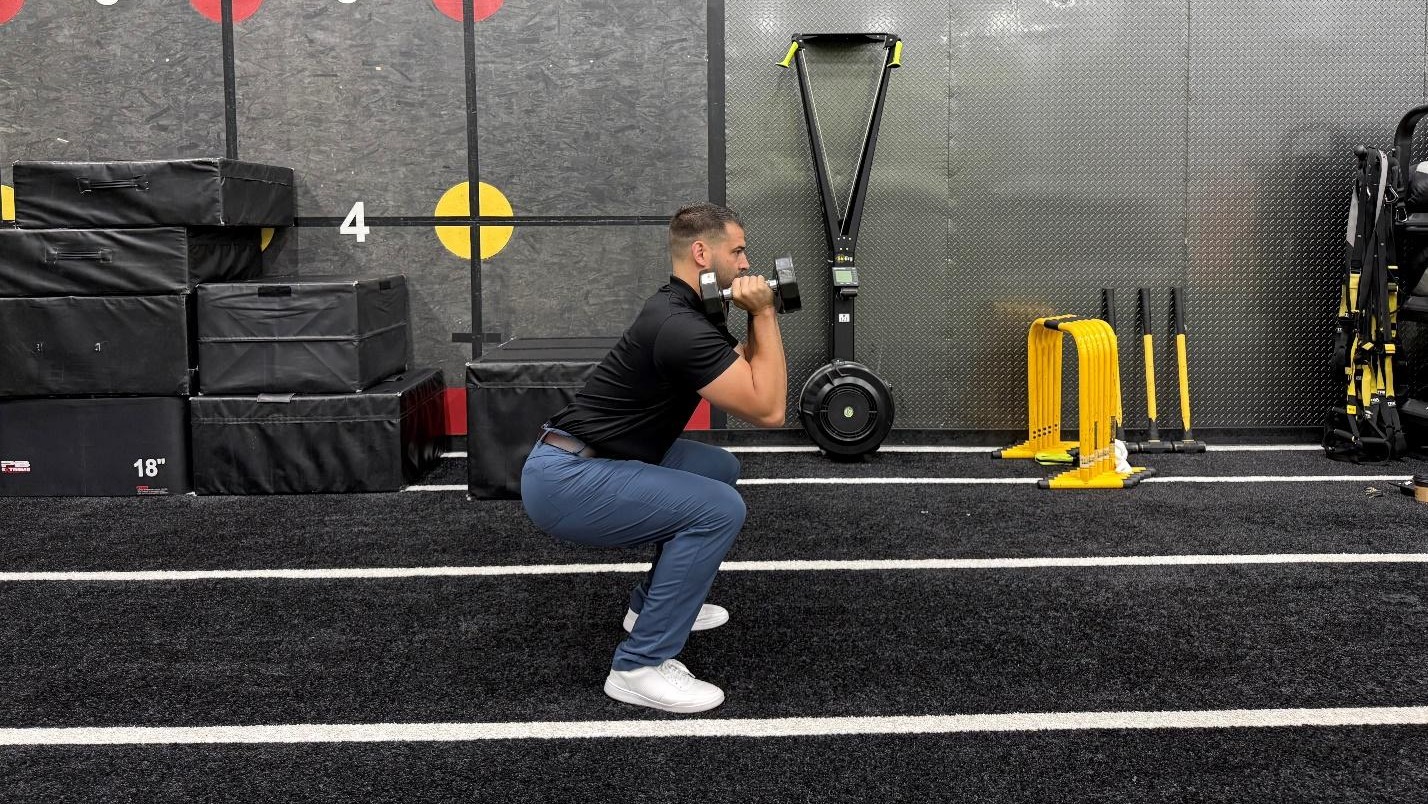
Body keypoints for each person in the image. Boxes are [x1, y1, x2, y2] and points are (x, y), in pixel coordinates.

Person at [520, 202, 787, 714]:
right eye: (738, 251)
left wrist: (757, 315)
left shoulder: (688, 311)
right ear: (702, 253)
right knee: (719, 509)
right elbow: (769, 408)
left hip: (594, 457)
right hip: (566, 479)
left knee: (718, 470)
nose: (746, 263)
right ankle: (638, 666)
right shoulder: (678, 325)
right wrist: (765, 312)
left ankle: (649, 610)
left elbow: (750, 370)